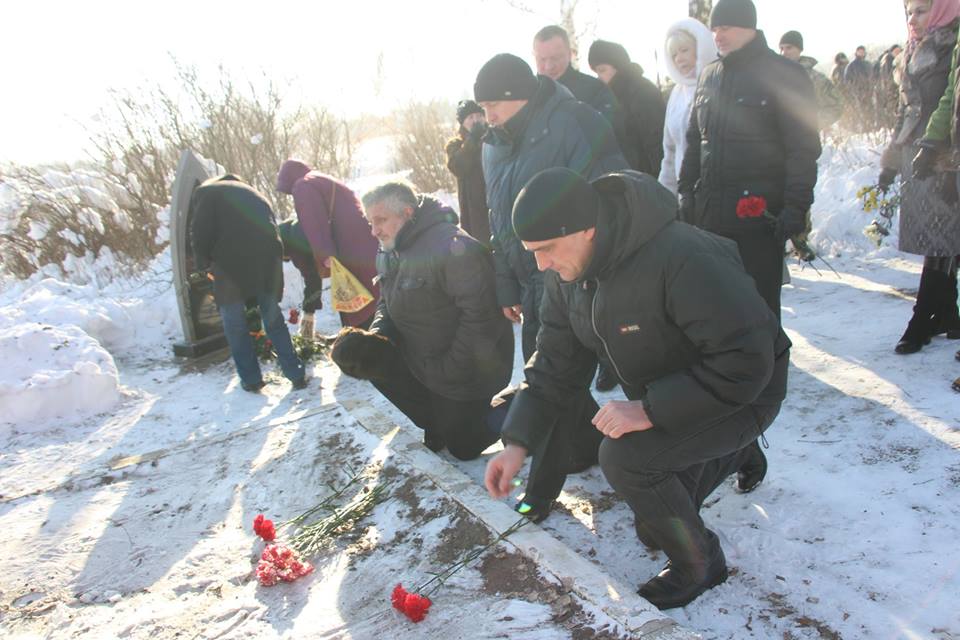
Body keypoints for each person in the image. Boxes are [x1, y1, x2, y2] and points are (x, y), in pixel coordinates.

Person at [485, 167, 790, 610]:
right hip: (682, 392)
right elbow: (554, 364)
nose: (541, 264)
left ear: (587, 228)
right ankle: (734, 451)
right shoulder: (568, 276)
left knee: (628, 460)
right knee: (653, 523)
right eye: (532, 252)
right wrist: (517, 443)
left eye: (547, 249)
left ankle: (701, 563)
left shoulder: (681, 256)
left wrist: (648, 410)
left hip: (746, 391)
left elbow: (746, 361)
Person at [331, 180, 514, 459]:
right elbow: (387, 302)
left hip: (469, 366)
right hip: (424, 359)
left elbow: (483, 322)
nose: (373, 230)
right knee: (368, 359)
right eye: (370, 222)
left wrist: (448, 369)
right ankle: (437, 420)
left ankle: (524, 400)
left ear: (406, 213)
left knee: (464, 446)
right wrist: (378, 337)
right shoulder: (390, 249)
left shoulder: (454, 248)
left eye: (380, 220)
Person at [474, 53, 627, 364]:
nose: (487, 116)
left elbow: (612, 202)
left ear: (519, 96)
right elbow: (498, 217)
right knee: (547, 380)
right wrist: (506, 285)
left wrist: (604, 285)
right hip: (534, 285)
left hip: (581, 282)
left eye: (493, 105)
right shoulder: (492, 145)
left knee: (611, 378)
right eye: (483, 107)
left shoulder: (576, 122)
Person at [679, 0, 821, 319]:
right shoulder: (709, 76)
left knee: (759, 313)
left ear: (750, 27)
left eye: (726, 27)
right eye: (715, 29)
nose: (718, 36)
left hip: (758, 219)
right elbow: (694, 140)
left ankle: (769, 369)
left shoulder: (784, 74)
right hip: (711, 219)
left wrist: (795, 207)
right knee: (716, 311)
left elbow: (803, 147)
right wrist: (686, 193)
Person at [880, 0, 960, 355]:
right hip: (917, 153)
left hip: (943, 152)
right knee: (937, 241)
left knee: (941, 240)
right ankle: (947, 314)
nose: (913, 19)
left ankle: (923, 317)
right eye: (910, 11)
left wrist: (937, 149)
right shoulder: (912, 49)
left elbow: (949, 102)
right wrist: (892, 160)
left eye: (922, 10)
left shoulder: (951, 46)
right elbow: (904, 111)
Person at [190, 175, 306, 392]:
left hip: (231, 266)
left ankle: (251, 379)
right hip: (267, 261)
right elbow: (273, 232)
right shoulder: (256, 195)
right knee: (273, 320)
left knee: (235, 325)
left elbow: (199, 232)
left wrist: (202, 265)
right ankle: (296, 373)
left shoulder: (206, 193)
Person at [276, 160, 379, 328]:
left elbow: (315, 222)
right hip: (362, 241)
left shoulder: (303, 185)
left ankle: (365, 341)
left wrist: (326, 255)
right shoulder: (322, 179)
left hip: (348, 246)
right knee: (372, 294)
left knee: (357, 303)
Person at [533, 25, 626, 144]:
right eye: (542, 59)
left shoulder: (595, 90)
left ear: (570, 54)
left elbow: (614, 139)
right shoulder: (525, 96)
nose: (549, 66)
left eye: (555, 58)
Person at [656, 18, 718, 195]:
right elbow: (670, 151)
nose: (679, 58)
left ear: (700, 48)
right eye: (674, 54)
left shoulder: (718, 84)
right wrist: (664, 196)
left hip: (713, 192)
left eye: (684, 50)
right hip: (684, 193)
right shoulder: (676, 94)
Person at [587, 39, 667, 176]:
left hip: (648, 179)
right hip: (630, 179)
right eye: (596, 72)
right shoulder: (615, 97)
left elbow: (656, 143)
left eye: (602, 70)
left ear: (618, 66)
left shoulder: (642, 92)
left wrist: (657, 183)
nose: (599, 77)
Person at [445, 99, 491, 247]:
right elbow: (458, 166)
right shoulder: (455, 145)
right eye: (470, 117)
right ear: (462, 123)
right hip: (474, 209)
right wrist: (473, 139)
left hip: (494, 200)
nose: (476, 120)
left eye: (479, 115)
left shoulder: (494, 137)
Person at [779, 30, 844, 131]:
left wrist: (810, 125)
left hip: (803, 141)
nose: (784, 52)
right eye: (781, 48)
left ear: (799, 50)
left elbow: (836, 106)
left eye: (789, 48)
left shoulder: (815, 78)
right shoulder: (774, 76)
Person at [278, 218, 324, 338]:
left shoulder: (297, 246)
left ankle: (306, 333)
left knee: (312, 280)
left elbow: (312, 280)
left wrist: (308, 312)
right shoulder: (294, 227)